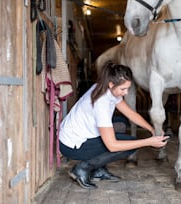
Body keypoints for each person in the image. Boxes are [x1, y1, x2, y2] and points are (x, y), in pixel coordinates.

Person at [59, 61, 169, 189]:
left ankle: (98, 171)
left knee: (122, 124)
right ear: (111, 84)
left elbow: (131, 114)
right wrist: (148, 142)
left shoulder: (105, 88)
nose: (126, 92)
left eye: (127, 88)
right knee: (128, 146)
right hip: (72, 145)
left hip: (79, 137)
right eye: (123, 89)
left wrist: (152, 129)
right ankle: (81, 169)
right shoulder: (102, 103)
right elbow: (112, 146)